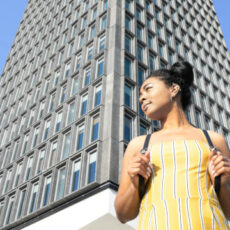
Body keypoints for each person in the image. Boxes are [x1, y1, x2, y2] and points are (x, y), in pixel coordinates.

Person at [114, 61, 230, 229]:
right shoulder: (138, 145)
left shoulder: (214, 140)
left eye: (148, 88)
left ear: (174, 89)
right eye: (140, 94)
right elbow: (123, 215)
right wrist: (134, 182)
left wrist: (224, 183)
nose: (141, 97)